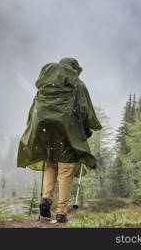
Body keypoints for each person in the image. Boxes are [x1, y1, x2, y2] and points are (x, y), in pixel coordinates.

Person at [17, 58, 102, 223]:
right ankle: (61, 212)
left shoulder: (47, 82)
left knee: (50, 165)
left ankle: (46, 200)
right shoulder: (78, 84)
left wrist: (32, 127)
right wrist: (87, 128)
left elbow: (35, 106)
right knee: (66, 171)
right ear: (75, 69)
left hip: (46, 130)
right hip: (67, 131)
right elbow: (85, 109)